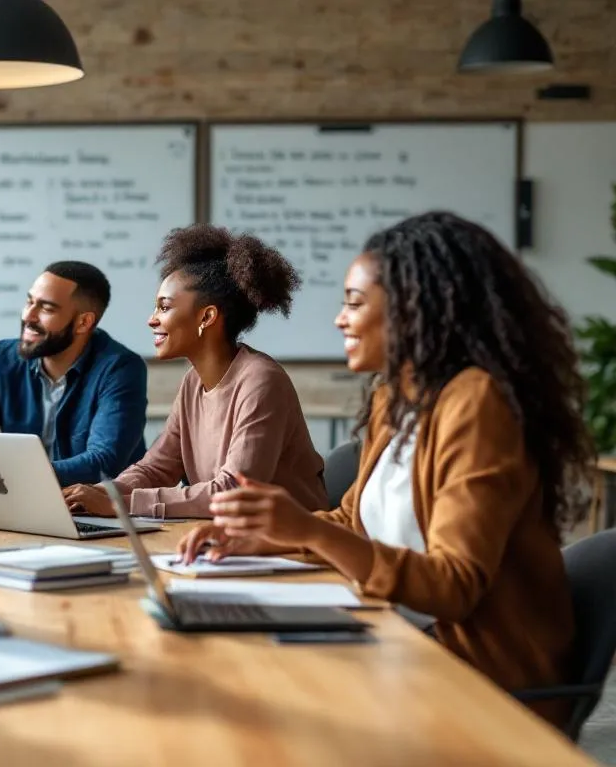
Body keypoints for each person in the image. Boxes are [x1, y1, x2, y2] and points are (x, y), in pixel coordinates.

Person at [189, 211, 590, 726]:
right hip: (397, 637)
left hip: (475, 682)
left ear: (413, 309)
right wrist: (256, 539)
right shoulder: (396, 400)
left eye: (354, 303)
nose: (339, 319)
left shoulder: (477, 404)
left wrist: (304, 528)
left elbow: (454, 585)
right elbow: (354, 522)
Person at [63, 225, 325, 519]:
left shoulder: (261, 381)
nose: (152, 320)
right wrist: (101, 492)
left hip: (291, 544)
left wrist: (121, 504)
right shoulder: (192, 382)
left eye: (164, 307)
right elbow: (157, 467)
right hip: (227, 537)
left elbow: (234, 490)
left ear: (207, 317)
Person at [0, 261, 148, 487]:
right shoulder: (3, 358)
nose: (29, 316)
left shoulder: (121, 368)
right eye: (29, 302)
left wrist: (8, 474)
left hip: (95, 510)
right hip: (16, 500)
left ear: (83, 322)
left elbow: (102, 462)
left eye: (46, 308)